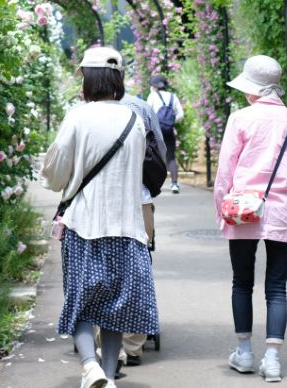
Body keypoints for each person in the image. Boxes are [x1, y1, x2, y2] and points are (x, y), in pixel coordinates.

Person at [42, 46, 159, 388]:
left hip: (84, 226)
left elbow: (55, 175)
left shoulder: (78, 116)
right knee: (115, 308)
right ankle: (107, 375)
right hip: (127, 228)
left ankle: (90, 365)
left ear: (88, 79)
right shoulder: (134, 120)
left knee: (80, 302)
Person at [213, 55, 287, 383]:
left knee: (242, 282)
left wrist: (221, 211)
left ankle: (244, 354)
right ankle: (273, 360)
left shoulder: (240, 119)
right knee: (277, 287)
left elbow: (225, 172)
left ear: (252, 89)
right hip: (282, 209)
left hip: (242, 210)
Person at [119, 86, 168, 365]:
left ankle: (106, 344)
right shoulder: (141, 107)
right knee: (139, 266)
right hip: (140, 200)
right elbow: (159, 149)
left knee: (104, 268)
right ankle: (134, 343)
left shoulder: (85, 109)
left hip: (101, 204)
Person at [146, 74, 184, 193]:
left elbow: (148, 113)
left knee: (154, 157)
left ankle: (155, 184)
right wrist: (171, 121)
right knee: (171, 157)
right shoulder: (173, 96)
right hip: (169, 130)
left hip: (156, 131)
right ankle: (174, 184)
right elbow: (181, 114)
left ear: (155, 86)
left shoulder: (152, 96)